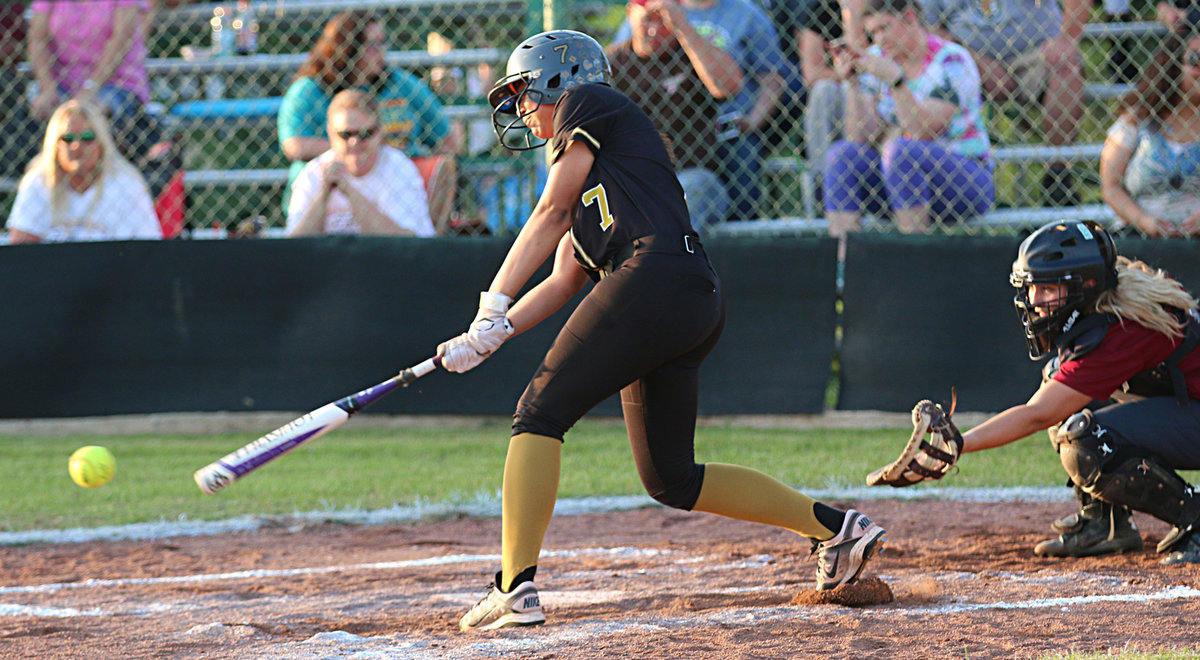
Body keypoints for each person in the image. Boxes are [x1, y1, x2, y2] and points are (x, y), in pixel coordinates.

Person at [439, 29, 886, 632]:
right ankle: (837, 530)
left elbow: (547, 213)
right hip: (687, 295)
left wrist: (491, 303)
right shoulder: (605, 162)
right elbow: (564, 280)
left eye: (524, 92)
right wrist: (490, 335)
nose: (521, 109)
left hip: (653, 279)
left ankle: (513, 587)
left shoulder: (587, 103)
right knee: (671, 477)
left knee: (538, 415)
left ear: (557, 79)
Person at [875, 220, 1200, 564]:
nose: (1035, 300)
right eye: (1032, 288)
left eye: (1048, 288)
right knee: (1062, 388)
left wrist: (957, 445)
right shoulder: (1111, 295)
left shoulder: (1124, 329)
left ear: (1087, 284)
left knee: (1084, 439)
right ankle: (1104, 525)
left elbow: (1037, 414)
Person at [824, 0, 994, 235]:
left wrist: (896, 82)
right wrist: (853, 84)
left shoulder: (951, 60)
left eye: (885, 28)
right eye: (873, 33)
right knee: (841, 156)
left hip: (965, 180)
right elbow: (860, 136)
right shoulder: (876, 58)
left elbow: (923, 132)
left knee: (903, 152)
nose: (880, 39)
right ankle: (843, 264)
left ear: (910, 17)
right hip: (897, 181)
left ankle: (911, 262)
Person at [277, 10, 458, 221]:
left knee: (444, 167)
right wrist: (360, 149)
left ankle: (426, 246)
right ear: (347, 49)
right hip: (335, 179)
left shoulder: (400, 84)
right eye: (372, 45)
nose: (381, 51)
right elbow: (294, 144)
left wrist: (400, 162)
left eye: (383, 43)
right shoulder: (311, 89)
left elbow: (447, 140)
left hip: (395, 183)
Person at [919, 0, 1090, 207]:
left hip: (1039, 52)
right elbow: (928, 26)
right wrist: (975, 61)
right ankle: (959, 178)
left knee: (1067, 63)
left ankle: (1058, 176)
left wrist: (1066, 39)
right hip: (969, 58)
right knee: (943, 71)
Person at [606, 0, 745, 231]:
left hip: (691, 174)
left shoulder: (694, 53)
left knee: (691, 192)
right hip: (631, 179)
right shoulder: (611, 63)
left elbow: (728, 86)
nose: (654, 30)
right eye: (647, 20)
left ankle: (662, 261)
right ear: (630, 15)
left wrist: (682, 25)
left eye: (663, 21)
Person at [7, 99, 160, 243]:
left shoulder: (127, 185)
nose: (76, 146)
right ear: (54, 145)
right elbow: (21, 245)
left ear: (101, 143)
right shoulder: (37, 182)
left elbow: (145, 250)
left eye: (87, 137)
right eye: (67, 138)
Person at [286, 90, 436, 237]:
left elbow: (409, 243)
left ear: (379, 133)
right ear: (331, 133)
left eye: (365, 134)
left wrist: (348, 189)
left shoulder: (398, 167)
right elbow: (295, 245)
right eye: (345, 134)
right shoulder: (313, 173)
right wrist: (324, 193)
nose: (354, 142)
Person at [1100, 30, 1200, 237]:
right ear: (1175, 65)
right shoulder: (1139, 118)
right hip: (1140, 236)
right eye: (1196, 59)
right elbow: (1111, 186)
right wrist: (1144, 221)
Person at [27, 0, 152, 157]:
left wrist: (90, 88)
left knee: (96, 111)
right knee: (42, 108)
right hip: (63, 83)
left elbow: (121, 39)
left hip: (118, 82)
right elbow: (37, 39)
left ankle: (106, 170)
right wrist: (47, 88)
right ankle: (49, 171)